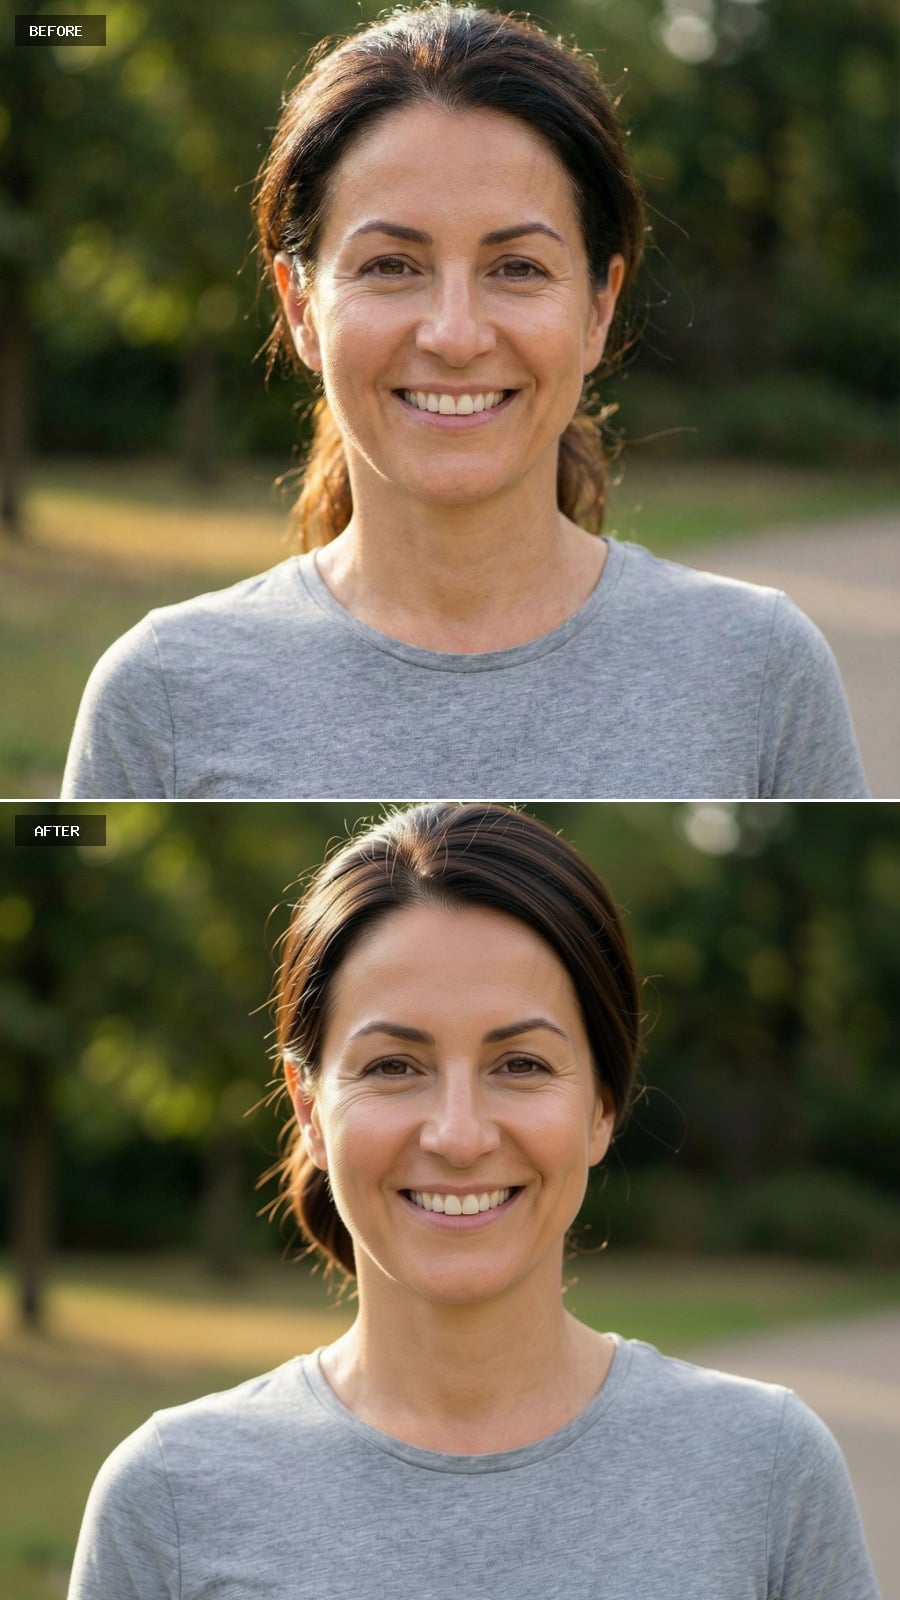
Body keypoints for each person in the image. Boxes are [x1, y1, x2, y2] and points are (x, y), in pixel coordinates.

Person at [68, 802, 880, 1599]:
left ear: (603, 1106)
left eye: (521, 1065)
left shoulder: (766, 1470)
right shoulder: (169, 1498)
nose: (458, 1135)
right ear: (310, 1110)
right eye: (393, 1066)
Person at [61, 4, 867, 800]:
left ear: (597, 308)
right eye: (391, 266)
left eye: (516, 268)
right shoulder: (161, 693)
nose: (454, 334)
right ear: (300, 308)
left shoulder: (758, 667)